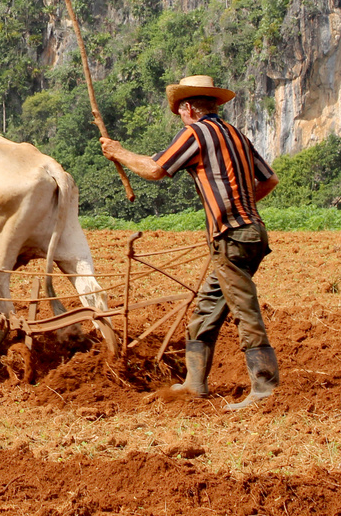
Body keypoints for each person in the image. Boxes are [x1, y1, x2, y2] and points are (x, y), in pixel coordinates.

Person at [99, 75, 281, 411]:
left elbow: (155, 169)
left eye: (179, 111)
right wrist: (243, 207)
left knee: (244, 311)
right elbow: (269, 179)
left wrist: (119, 152)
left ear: (187, 109)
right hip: (252, 233)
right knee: (206, 309)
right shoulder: (236, 135)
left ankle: (265, 388)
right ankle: (195, 383)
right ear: (211, 105)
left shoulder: (197, 133)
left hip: (231, 238)